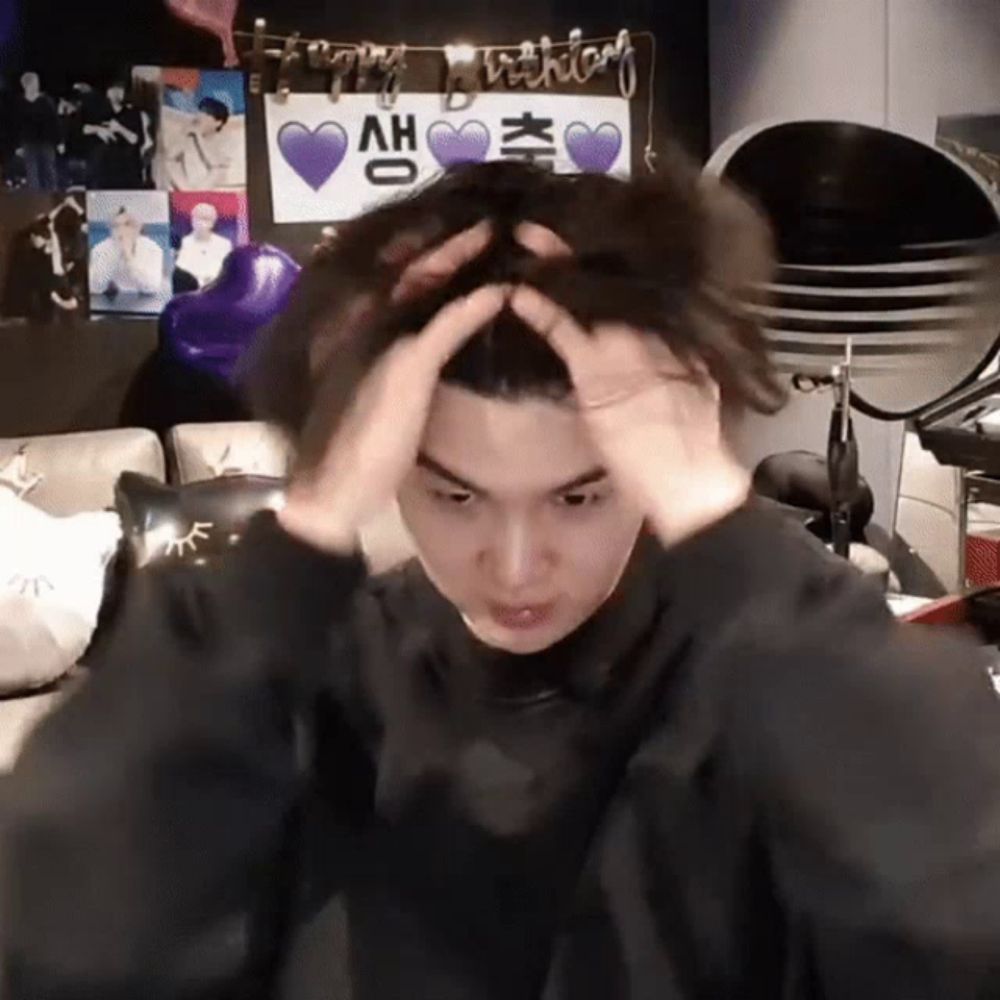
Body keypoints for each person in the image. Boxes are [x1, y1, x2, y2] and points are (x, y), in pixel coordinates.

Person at [5, 158, 1000, 999]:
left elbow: (960, 923)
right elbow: (53, 933)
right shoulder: (320, 683)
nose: (516, 567)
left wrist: (718, 521)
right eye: (456, 496)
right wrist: (307, 524)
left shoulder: (757, 689)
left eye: (576, 497)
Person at [88, 206, 163, 298]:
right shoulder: (99, 249)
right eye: (116, 226)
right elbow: (93, 287)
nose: (121, 230)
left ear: (138, 228)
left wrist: (129, 258)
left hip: (143, 302)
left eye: (127, 224)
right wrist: (115, 254)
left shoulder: (153, 249)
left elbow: (152, 287)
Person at [163, 94, 234, 190]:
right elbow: (170, 157)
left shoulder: (224, 139)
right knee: (169, 163)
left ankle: (194, 194)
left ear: (218, 122)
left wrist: (199, 136)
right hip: (187, 187)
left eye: (207, 114)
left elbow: (216, 163)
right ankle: (189, 193)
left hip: (211, 186)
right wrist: (184, 135)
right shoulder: (191, 136)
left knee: (219, 169)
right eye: (201, 112)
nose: (201, 116)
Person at [14, 71, 60, 191]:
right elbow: (15, 126)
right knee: (32, 173)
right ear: (26, 85)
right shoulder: (19, 103)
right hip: (28, 142)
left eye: (37, 82)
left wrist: (60, 141)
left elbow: (54, 121)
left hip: (46, 141)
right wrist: (17, 145)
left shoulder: (46, 101)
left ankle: (51, 196)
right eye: (34, 83)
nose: (37, 85)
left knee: (49, 171)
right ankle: (35, 199)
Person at [174, 200, 233, 287]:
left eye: (206, 219)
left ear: (213, 223)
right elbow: (182, 270)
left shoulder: (224, 244)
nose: (201, 223)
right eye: (198, 218)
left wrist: (212, 278)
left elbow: (228, 271)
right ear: (192, 221)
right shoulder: (185, 242)